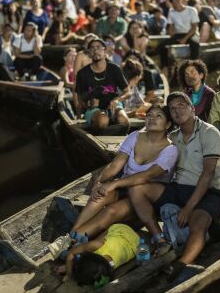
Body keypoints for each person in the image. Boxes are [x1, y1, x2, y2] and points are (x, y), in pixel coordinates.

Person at [47, 104, 177, 260]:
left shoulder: (170, 150)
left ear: (168, 124)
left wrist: (113, 183)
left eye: (158, 116)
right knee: (99, 195)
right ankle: (70, 238)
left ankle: (73, 242)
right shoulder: (135, 136)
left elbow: (146, 176)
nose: (152, 118)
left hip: (143, 199)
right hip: (124, 188)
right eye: (149, 115)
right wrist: (100, 180)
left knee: (110, 212)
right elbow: (116, 164)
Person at [128, 92, 220, 283]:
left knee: (198, 223)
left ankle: (181, 264)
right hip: (177, 188)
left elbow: (207, 175)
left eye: (182, 105)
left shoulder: (209, 132)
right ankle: (160, 240)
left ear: (192, 108)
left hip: (209, 191)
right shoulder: (173, 136)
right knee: (137, 189)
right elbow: (148, 139)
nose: (177, 110)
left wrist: (189, 208)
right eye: (172, 108)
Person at [74, 38, 130, 134]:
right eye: (92, 48)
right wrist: (88, 104)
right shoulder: (82, 73)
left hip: (113, 105)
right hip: (94, 109)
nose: (95, 51)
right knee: (103, 121)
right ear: (89, 53)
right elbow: (80, 99)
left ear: (105, 50)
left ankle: (122, 141)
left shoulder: (114, 69)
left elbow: (127, 92)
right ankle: (97, 139)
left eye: (99, 48)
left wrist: (117, 100)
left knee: (123, 120)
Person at [158, 0, 200, 74]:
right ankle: (165, 67)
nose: (175, 4)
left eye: (176, 1)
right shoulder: (171, 11)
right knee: (161, 45)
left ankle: (193, 66)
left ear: (180, 0)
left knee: (195, 45)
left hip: (191, 33)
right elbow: (171, 26)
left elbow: (194, 27)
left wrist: (185, 39)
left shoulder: (191, 10)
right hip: (178, 34)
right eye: (173, 3)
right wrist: (171, 38)